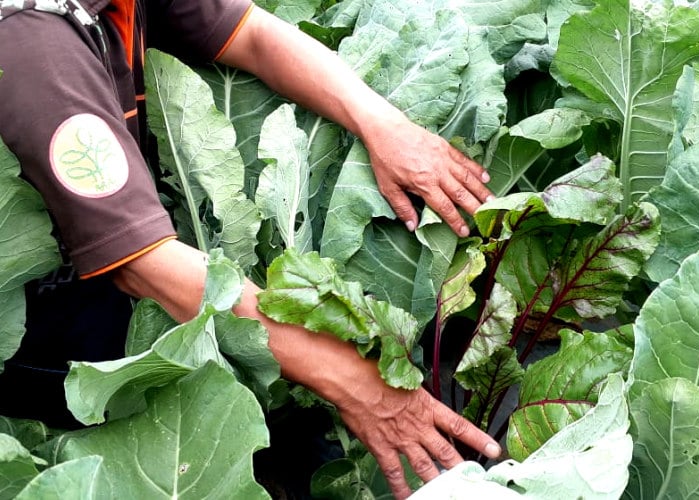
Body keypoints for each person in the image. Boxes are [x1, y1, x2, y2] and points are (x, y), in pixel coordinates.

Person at [0, 0, 501, 498]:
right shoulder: (32, 41)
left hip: (119, 263)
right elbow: (146, 267)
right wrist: (362, 386)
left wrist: (384, 125)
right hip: (45, 328)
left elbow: (253, 35)